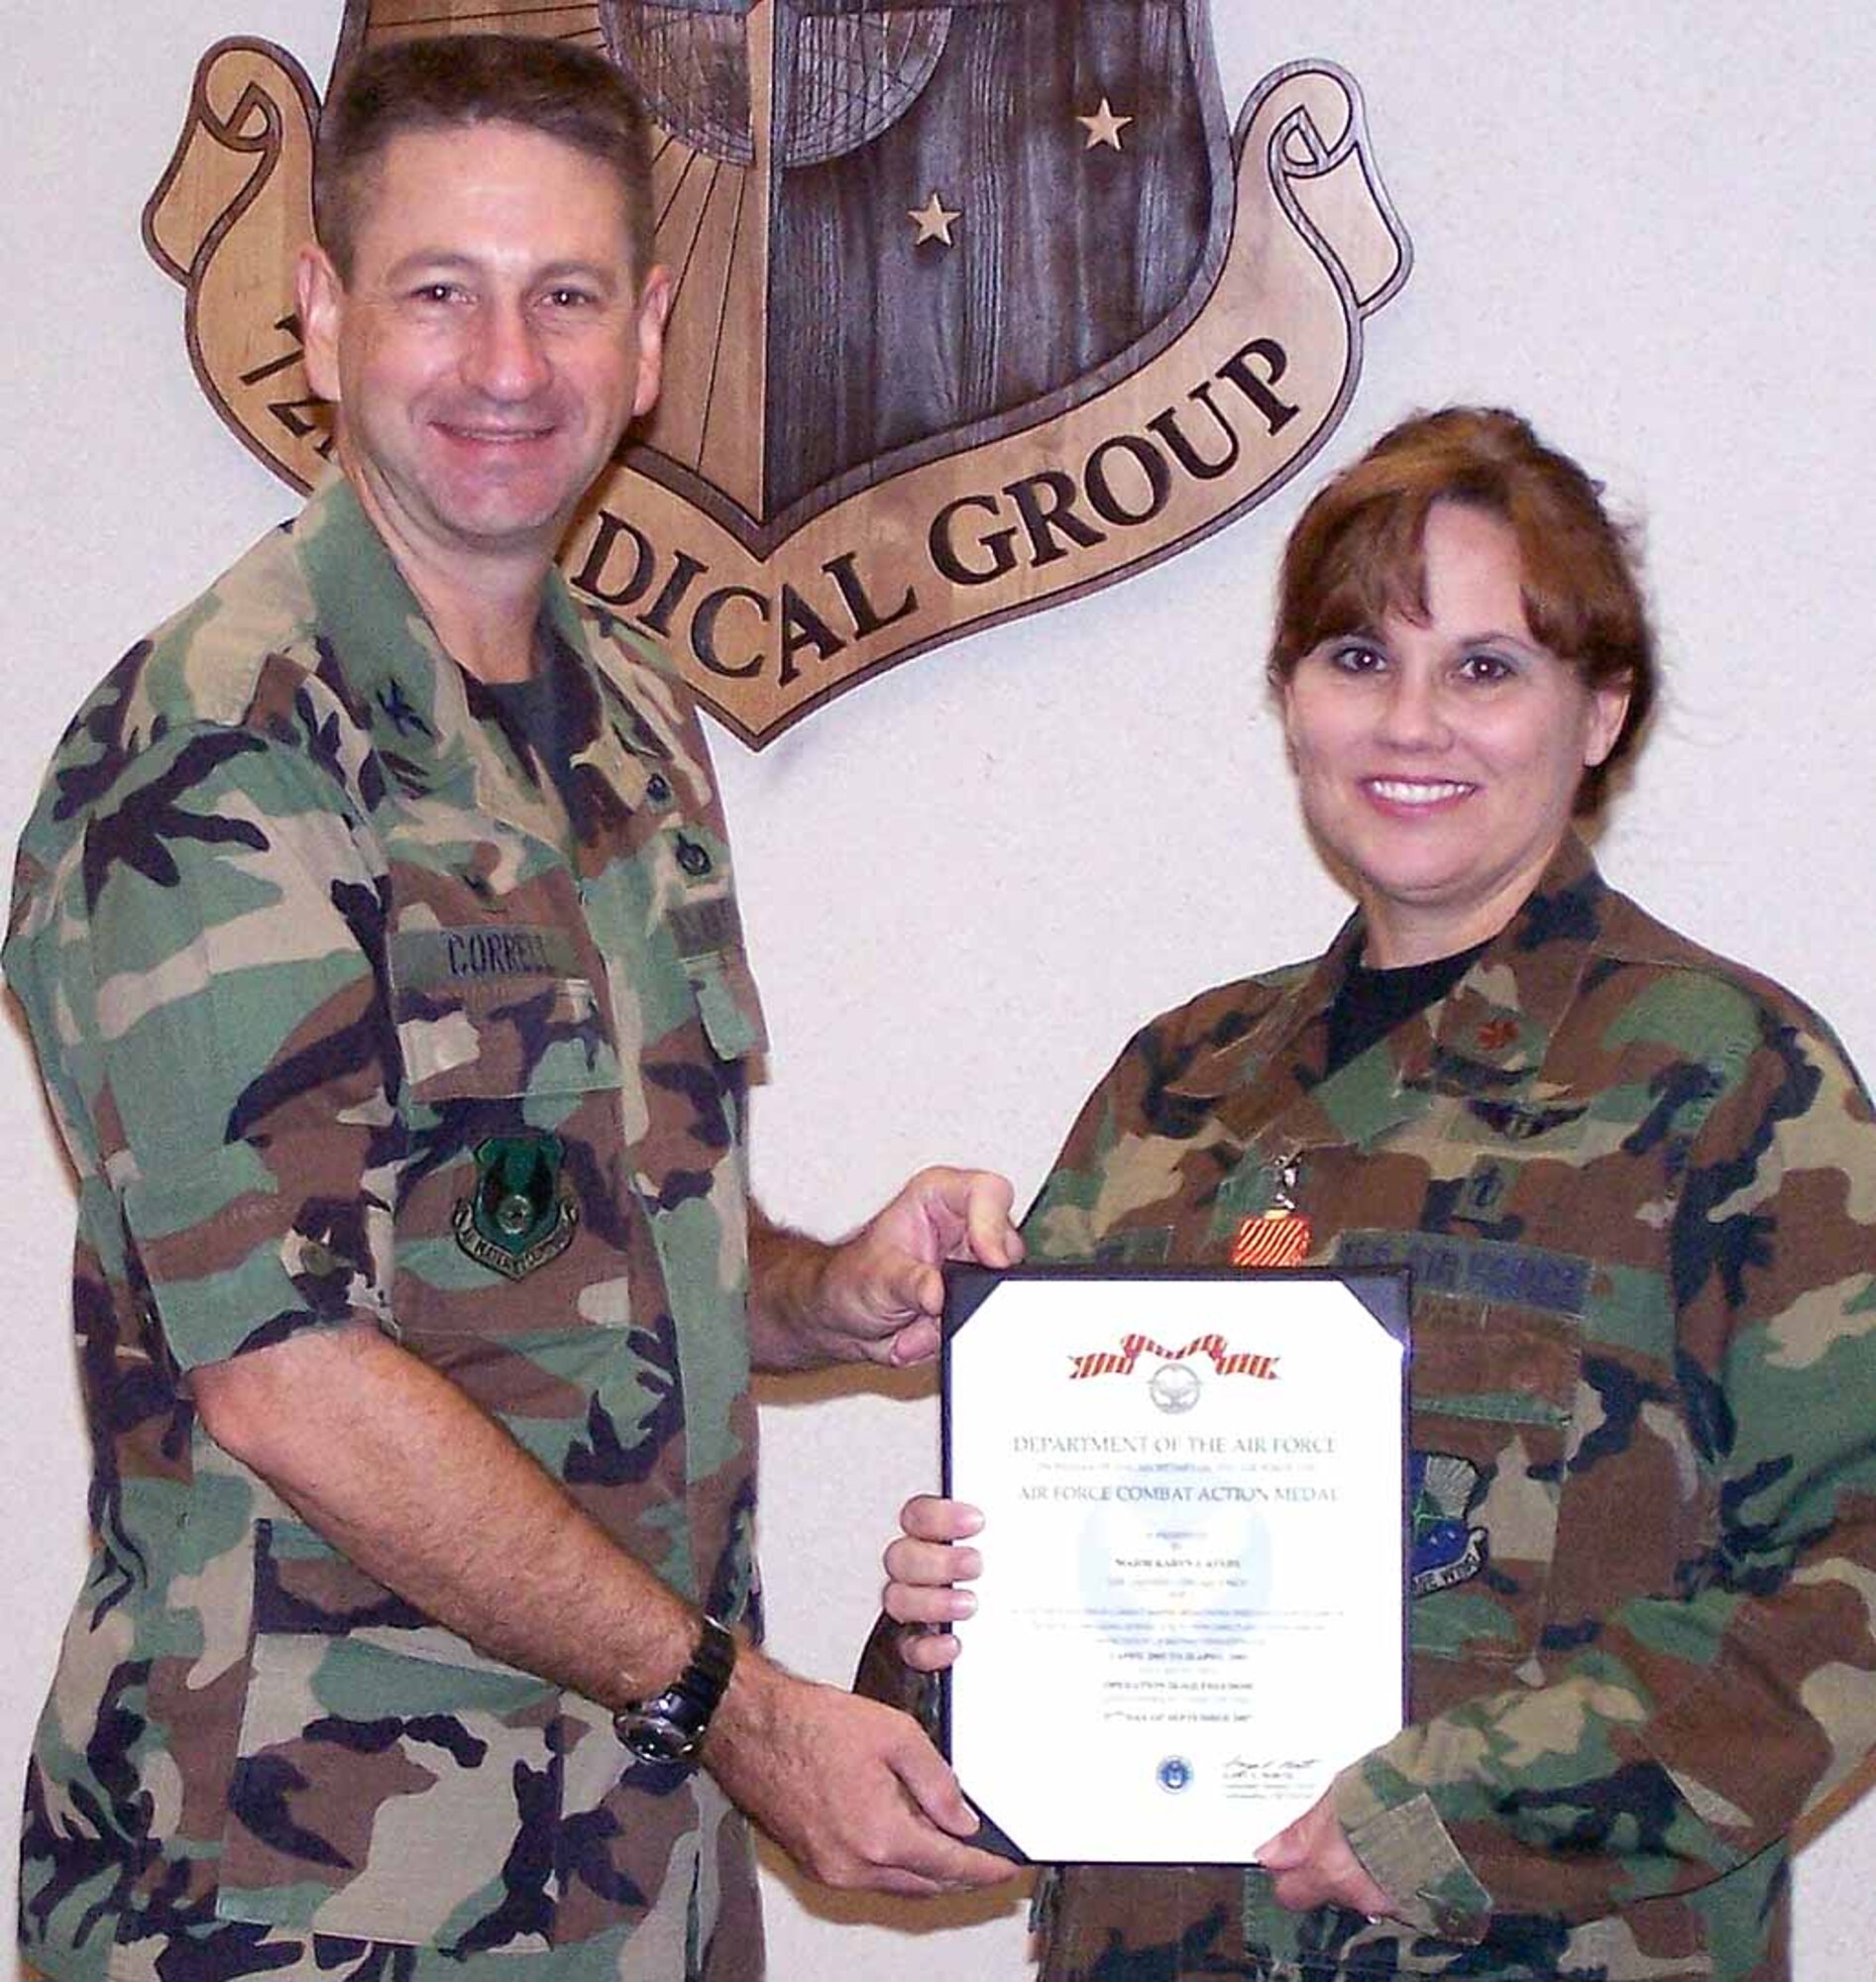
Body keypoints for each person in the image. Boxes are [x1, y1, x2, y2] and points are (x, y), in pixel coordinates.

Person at [7, 35, 1018, 1982]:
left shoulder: (627, 716)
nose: (505, 363)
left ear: (644, 337)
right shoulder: (225, 747)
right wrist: (737, 1703)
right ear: (319, 310)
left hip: (620, 1883)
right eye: (438, 291)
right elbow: (287, 1370)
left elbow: (553, 1223)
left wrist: (825, 1291)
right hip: (298, 1895)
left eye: (563, 296)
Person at [876, 406, 1876, 1980]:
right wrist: (939, 1629)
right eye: (1357, 660)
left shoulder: (1727, 1080)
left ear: (1598, 709)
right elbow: (1030, 1631)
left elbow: (1843, 1588)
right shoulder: (1169, 1088)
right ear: (1288, 699)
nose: (1412, 723)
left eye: (1486, 668)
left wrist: (1445, 1814)